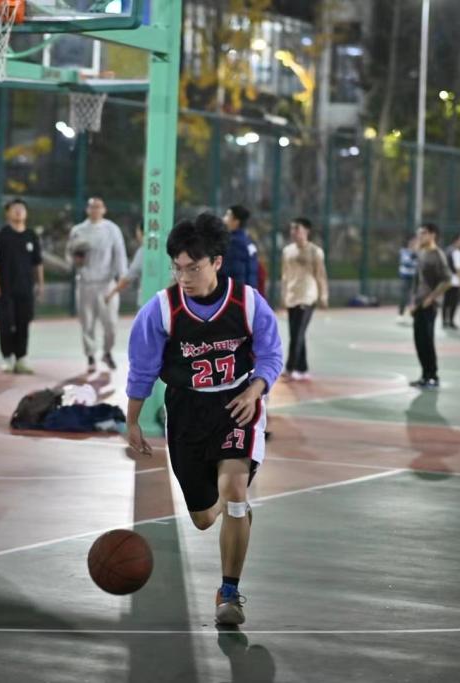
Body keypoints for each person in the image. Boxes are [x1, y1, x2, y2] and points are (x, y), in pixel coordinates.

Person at [125, 213, 282, 626]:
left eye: (192, 268)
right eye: (177, 268)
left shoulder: (247, 303)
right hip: (186, 411)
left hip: (237, 404)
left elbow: (271, 353)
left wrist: (256, 389)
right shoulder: (161, 309)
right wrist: (132, 420)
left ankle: (229, 593)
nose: (184, 277)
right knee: (202, 517)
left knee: (234, 491)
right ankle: (230, 509)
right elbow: (142, 367)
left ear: (216, 262)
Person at [66, 197, 127, 373]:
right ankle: (90, 355)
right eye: (92, 207)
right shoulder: (78, 230)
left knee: (111, 324)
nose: (95, 210)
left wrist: (122, 276)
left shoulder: (112, 229)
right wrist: (75, 260)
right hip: (85, 283)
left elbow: (120, 254)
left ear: (104, 209)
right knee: (87, 323)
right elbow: (69, 254)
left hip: (107, 284)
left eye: (98, 207)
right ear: (87, 210)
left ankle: (107, 352)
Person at [0, 199, 44, 375]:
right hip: (5, 288)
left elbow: (38, 263)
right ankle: (7, 358)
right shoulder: (0, 234)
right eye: (15, 209)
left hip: (25, 288)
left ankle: (21, 358)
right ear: (8, 213)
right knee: (5, 323)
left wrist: (40, 284)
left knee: (23, 322)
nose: (19, 211)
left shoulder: (32, 235)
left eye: (22, 209)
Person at [280, 217, 328, 381]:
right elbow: (285, 275)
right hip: (292, 295)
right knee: (296, 333)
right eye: (292, 229)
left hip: (307, 296)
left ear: (306, 231)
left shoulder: (315, 252)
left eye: (297, 229)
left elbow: (321, 275)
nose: (294, 232)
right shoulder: (287, 251)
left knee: (297, 333)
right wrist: (284, 294)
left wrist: (323, 295)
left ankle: (290, 368)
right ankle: (303, 368)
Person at [408, 223, 451, 389]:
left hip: (429, 306)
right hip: (418, 304)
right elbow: (417, 281)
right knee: (419, 341)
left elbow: (447, 280)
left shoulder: (438, 255)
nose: (420, 236)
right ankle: (424, 375)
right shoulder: (422, 253)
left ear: (433, 235)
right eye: (419, 233)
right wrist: (413, 302)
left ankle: (433, 376)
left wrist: (431, 299)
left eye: (424, 233)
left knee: (427, 341)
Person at [221, 205, 259, 288]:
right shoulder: (248, 241)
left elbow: (233, 272)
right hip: (248, 290)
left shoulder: (234, 243)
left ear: (236, 221)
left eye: (227, 216)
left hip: (236, 291)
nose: (224, 219)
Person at [106, 221, 144, 303]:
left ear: (141, 232)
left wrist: (111, 293)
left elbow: (128, 278)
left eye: (137, 230)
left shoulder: (143, 252)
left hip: (147, 300)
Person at [442, 234, 460, 330]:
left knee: (446, 301)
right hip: (454, 281)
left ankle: (444, 321)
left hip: (446, 280)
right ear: (456, 241)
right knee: (453, 302)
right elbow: (458, 269)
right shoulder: (457, 252)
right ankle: (451, 321)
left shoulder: (447, 250)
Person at [396, 236, 418, 325]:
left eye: (416, 242)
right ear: (409, 242)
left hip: (415, 277)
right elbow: (406, 263)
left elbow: (421, 263)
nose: (414, 243)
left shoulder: (419, 252)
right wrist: (414, 257)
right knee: (404, 296)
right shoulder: (404, 251)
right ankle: (400, 315)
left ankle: (413, 315)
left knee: (414, 297)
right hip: (405, 277)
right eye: (413, 242)